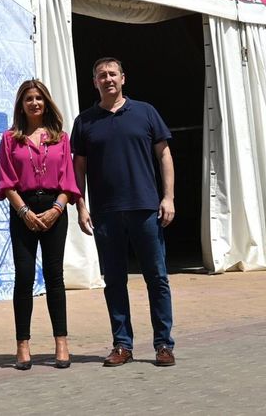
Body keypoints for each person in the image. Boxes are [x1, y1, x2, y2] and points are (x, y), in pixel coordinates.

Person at [72, 57, 177, 368]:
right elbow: (79, 167)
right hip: (105, 213)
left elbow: (165, 155)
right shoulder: (85, 121)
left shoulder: (145, 112)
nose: (108, 79)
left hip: (145, 208)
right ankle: (122, 344)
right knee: (114, 281)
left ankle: (163, 345)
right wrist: (80, 205)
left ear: (123, 78)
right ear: (94, 82)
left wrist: (168, 197)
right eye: (102, 75)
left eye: (112, 74)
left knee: (156, 278)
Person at [0, 79, 81, 369]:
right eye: (28, 98)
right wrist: (24, 212)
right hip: (24, 209)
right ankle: (22, 344)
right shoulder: (10, 139)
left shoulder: (60, 137)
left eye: (39, 98)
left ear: (46, 103)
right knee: (24, 276)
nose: (34, 103)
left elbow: (69, 180)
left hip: (55, 208)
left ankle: (61, 342)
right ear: (21, 104)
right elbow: (5, 182)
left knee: (54, 276)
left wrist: (57, 208)